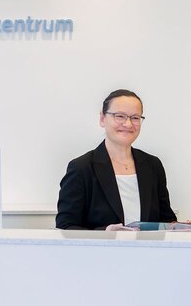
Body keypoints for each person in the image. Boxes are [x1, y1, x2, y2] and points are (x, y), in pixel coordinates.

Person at [56, 89, 177, 230]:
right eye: (120, 116)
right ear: (102, 119)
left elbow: (166, 220)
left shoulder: (153, 165)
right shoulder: (81, 168)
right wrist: (105, 233)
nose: (128, 124)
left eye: (135, 118)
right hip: (103, 245)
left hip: (147, 245)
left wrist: (183, 227)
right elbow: (65, 226)